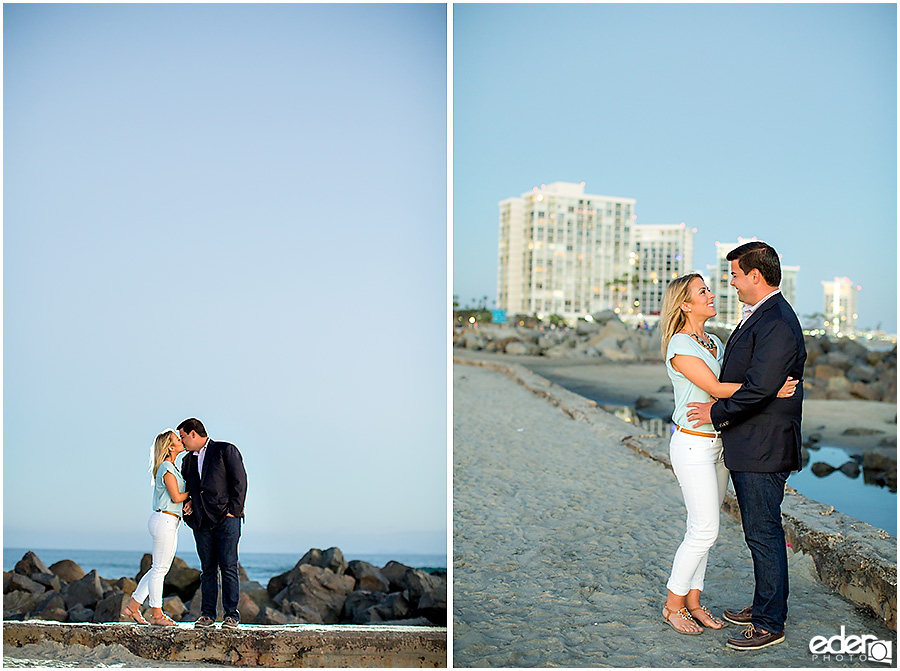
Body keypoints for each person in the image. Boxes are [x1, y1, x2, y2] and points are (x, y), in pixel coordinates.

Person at [659, 273, 797, 636]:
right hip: (692, 445)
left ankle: (694, 602)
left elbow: (731, 388)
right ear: (685, 304)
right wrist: (770, 389)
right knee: (704, 530)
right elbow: (717, 388)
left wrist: (760, 387)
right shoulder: (680, 345)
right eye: (702, 291)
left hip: (719, 444)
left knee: (703, 528)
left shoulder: (715, 342)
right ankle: (673, 605)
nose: (711, 293)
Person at [686, 241, 807, 651]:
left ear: (755, 276)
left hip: (763, 445)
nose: (732, 284)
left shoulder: (776, 321)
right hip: (755, 441)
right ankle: (763, 606)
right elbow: (764, 384)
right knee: (760, 531)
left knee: (763, 532)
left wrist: (716, 414)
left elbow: (759, 386)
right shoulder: (762, 315)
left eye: (735, 275)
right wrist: (771, 391)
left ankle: (770, 622)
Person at [177, 418, 247, 630]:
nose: (182, 442)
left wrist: (233, 513)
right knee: (207, 569)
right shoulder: (187, 461)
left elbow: (240, 481)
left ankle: (231, 616)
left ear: (193, 433)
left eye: (182, 437)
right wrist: (189, 504)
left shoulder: (225, 450)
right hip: (201, 521)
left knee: (228, 567)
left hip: (227, 520)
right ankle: (207, 615)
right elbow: (190, 488)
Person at [123, 430, 190, 626]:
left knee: (157, 569)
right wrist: (195, 492)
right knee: (159, 570)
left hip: (168, 521)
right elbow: (177, 497)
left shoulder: (172, 467)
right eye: (178, 439)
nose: (181, 441)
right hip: (165, 521)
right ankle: (157, 615)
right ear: (170, 446)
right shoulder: (167, 467)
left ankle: (133, 606)